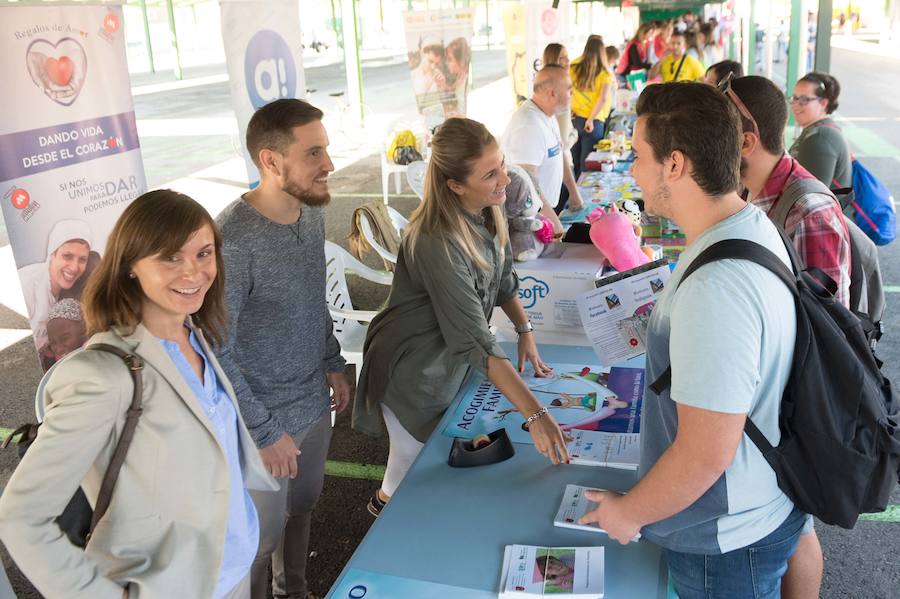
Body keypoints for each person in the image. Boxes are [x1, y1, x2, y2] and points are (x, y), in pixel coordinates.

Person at [580, 81, 805, 598]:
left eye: (638, 157)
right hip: (755, 506)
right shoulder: (746, 226)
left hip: (725, 539)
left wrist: (627, 513)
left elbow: (706, 454)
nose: (632, 172)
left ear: (675, 165)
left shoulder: (715, 286)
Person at [0, 189, 277, 599]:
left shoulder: (194, 335)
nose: (194, 272)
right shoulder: (102, 375)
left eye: (204, 253)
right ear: (130, 265)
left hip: (230, 571)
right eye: (171, 257)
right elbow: (21, 516)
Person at [353, 117, 571, 516]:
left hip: (448, 358)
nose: (505, 178)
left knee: (425, 461)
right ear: (455, 185)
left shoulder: (490, 207)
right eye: (490, 174)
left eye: (502, 163)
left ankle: (389, 506)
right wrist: (536, 413)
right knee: (411, 464)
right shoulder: (437, 240)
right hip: (414, 367)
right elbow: (474, 339)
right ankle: (384, 515)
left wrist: (525, 330)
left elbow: (503, 278)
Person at [216, 98, 351, 599]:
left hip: (313, 403)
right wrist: (264, 430)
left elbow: (312, 299)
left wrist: (333, 362)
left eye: (327, 150)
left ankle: (294, 591)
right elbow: (215, 348)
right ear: (271, 163)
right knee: (257, 540)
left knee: (303, 510)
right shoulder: (232, 240)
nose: (329, 165)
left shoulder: (311, 213)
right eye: (314, 153)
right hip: (262, 425)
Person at [728, 75, 853, 599]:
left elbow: (830, 329)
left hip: (797, 400)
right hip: (768, 391)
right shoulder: (756, 194)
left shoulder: (809, 209)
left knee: (797, 520)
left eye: (718, 128)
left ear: (747, 139)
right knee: (792, 522)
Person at [730, 75, 851, 309]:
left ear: (746, 143)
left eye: (717, 137)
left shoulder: (810, 216)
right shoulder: (742, 189)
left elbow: (827, 327)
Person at [502, 65, 583, 222]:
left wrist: (573, 192)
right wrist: (553, 222)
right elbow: (526, 185)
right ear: (552, 94)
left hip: (549, 207)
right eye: (569, 89)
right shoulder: (528, 126)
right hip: (534, 217)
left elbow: (560, 153)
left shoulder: (547, 114)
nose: (572, 93)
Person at [17, 219, 93, 352]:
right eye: (67, 256)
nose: (75, 267)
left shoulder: (74, 292)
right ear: (52, 254)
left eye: (82, 259)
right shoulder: (27, 284)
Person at [788, 72, 852, 190]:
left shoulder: (820, 138)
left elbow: (811, 195)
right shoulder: (821, 131)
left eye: (804, 99)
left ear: (823, 103)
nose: (796, 105)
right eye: (795, 98)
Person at [569, 36, 615, 177]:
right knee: (587, 166)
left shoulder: (574, 65)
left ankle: (571, 195)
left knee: (573, 161)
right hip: (594, 121)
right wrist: (590, 119)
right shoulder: (605, 72)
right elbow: (603, 99)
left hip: (575, 119)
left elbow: (568, 90)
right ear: (602, 51)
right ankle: (580, 197)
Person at [542, 43, 576, 151]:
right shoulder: (560, 88)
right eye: (562, 58)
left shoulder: (544, 82)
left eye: (567, 57)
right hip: (561, 160)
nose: (568, 61)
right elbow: (564, 144)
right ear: (553, 60)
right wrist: (575, 134)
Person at [38, 298, 86, 370]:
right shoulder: (59, 358)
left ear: (83, 327)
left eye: (65, 338)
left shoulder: (93, 353)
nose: (59, 349)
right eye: (53, 343)